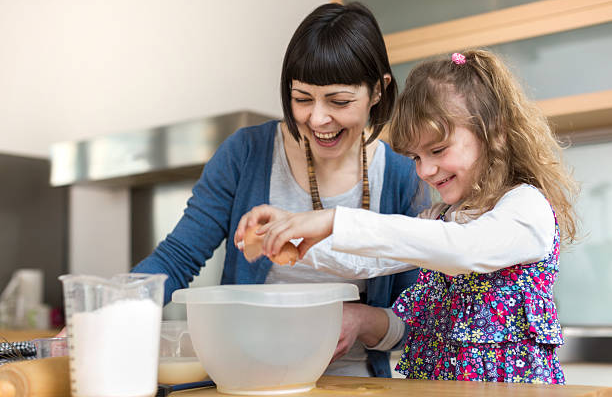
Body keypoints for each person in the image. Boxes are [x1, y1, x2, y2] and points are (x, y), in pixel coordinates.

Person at [239, 49, 578, 383]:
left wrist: (333, 220)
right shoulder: (443, 218)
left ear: (495, 132)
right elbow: (372, 259)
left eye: (438, 150)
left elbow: (462, 250)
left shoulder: (525, 207)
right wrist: (292, 237)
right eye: (416, 157)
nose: (425, 170)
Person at [132, 2, 429, 378]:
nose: (318, 119)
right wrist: (105, 316)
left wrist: (362, 319)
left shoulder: (405, 175)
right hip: (247, 376)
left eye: (339, 101)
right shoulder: (246, 153)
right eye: (302, 98)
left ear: (377, 91)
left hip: (355, 383)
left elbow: (420, 319)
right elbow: (176, 258)